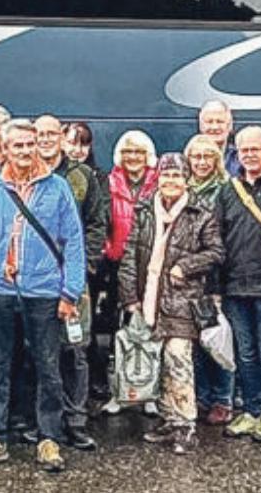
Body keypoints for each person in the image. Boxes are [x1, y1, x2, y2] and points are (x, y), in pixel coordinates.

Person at [0, 121, 85, 472]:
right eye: (18, 146)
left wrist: (70, 291)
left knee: (48, 366)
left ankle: (49, 438)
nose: (26, 151)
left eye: (30, 144)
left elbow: (73, 243)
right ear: (4, 149)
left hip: (44, 291)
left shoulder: (57, 188)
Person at [118, 154, 224, 455]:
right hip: (148, 297)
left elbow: (216, 252)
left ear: (186, 179)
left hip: (182, 300)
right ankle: (168, 419)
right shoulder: (145, 211)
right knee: (159, 361)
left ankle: (187, 426)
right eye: (166, 176)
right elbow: (129, 256)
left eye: (177, 176)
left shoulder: (200, 213)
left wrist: (186, 266)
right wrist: (130, 298)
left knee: (179, 361)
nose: (170, 182)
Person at [30, 115, 107, 450]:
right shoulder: (24, 174)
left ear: (62, 138)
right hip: (34, 283)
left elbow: (96, 225)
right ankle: (44, 421)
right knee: (39, 352)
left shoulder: (83, 176)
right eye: (39, 134)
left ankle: (75, 421)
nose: (45, 139)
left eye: (51, 133)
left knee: (75, 350)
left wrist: (86, 266)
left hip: (73, 281)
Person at [211, 126, 261, 443]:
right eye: (244, 151)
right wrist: (217, 286)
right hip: (234, 288)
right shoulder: (228, 190)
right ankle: (251, 410)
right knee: (244, 356)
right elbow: (217, 238)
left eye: (255, 150)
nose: (249, 155)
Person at [100, 129, 158, 416]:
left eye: (138, 152)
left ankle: (150, 392)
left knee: (152, 330)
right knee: (117, 331)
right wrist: (110, 250)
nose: (132, 157)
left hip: (152, 265)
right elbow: (101, 222)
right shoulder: (109, 183)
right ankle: (118, 392)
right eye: (127, 152)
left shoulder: (159, 182)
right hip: (117, 266)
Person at [183, 134, 235, 427]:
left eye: (207, 157)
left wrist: (216, 286)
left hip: (215, 276)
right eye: (196, 157)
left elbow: (225, 240)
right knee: (196, 342)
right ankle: (201, 396)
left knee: (217, 340)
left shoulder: (226, 191)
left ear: (216, 161)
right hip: (188, 279)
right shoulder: (183, 189)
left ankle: (222, 399)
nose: (201, 163)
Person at [198, 101, 243, 177]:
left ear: (229, 126)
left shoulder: (241, 159)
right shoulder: (191, 159)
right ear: (201, 126)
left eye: (220, 122)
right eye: (209, 122)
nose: (215, 127)